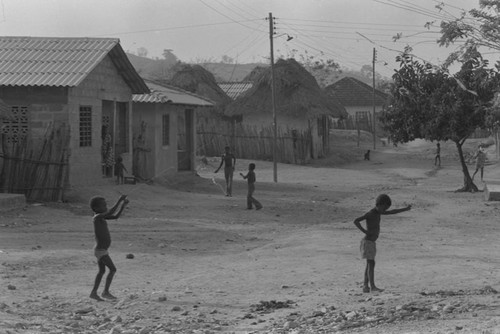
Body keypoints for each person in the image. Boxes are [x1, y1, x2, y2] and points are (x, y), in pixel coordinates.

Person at [353, 194, 411, 293]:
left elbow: (392, 212)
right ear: (379, 204)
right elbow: (356, 221)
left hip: (371, 242)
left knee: (369, 264)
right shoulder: (371, 213)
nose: (385, 210)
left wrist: (405, 209)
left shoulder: (378, 213)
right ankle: (372, 287)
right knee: (371, 264)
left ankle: (365, 286)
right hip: (367, 242)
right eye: (384, 208)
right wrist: (365, 231)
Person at [89, 194, 129, 301]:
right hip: (101, 251)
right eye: (103, 206)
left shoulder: (101, 217)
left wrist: (123, 205)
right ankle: (105, 292)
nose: (106, 207)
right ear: (96, 208)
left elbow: (115, 216)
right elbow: (111, 212)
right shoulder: (97, 217)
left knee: (101, 271)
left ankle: (94, 293)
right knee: (112, 269)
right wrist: (119, 200)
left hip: (102, 250)